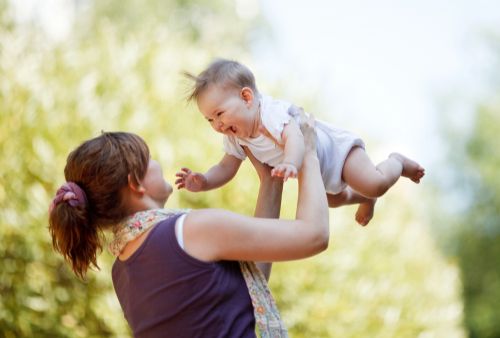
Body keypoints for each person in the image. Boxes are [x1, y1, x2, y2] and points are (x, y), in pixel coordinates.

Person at [48, 114, 329, 338]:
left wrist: (270, 181)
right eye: (150, 159)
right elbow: (314, 235)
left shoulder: (122, 272)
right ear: (135, 183)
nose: (158, 163)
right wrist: (308, 153)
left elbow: (244, 288)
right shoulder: (190, 230)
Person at [177, 58, 425, 226]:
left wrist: (290, 163)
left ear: (247, 97)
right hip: (317, 172)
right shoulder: (236, 137)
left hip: (338, 153)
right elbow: (225, 168)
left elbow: (295, 136)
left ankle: (396, 162)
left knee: (375, 184)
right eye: (209, 120)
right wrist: (204, 181)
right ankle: (364, 199)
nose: (217, 125)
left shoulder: (269, 113)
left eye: (219, 114)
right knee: (332, 200)